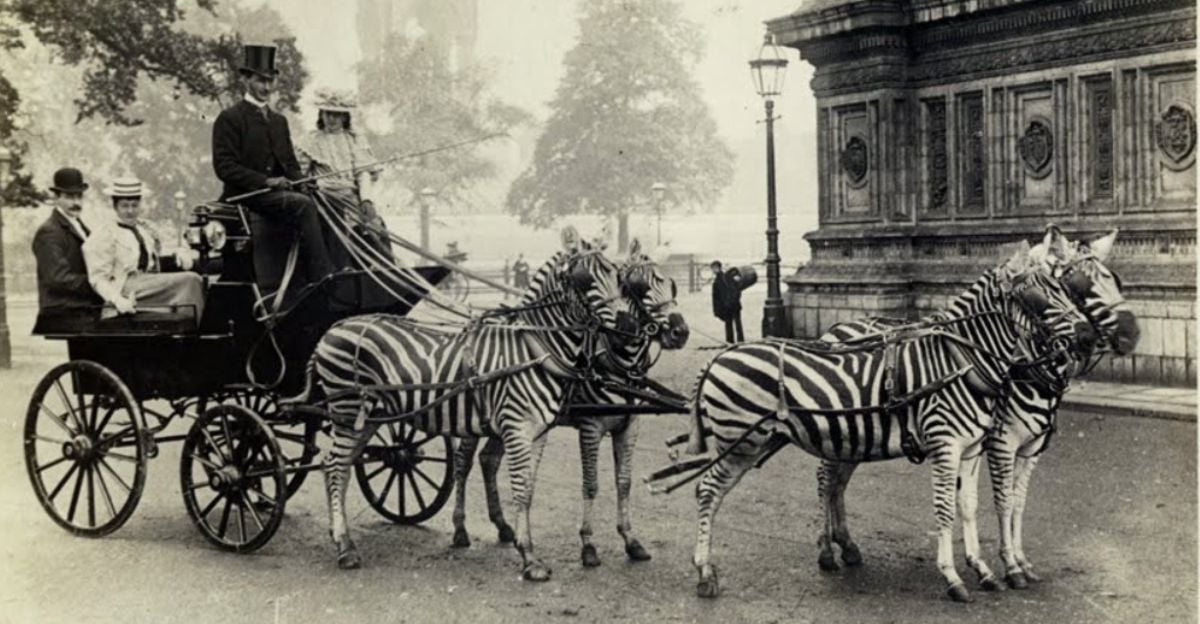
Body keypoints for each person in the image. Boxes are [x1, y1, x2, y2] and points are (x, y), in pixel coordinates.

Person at [211, 44, 335, 307]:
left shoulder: (279, 121)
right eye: (260, 81)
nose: (266, 88)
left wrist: (303, 183)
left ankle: (336, 272)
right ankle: (322, 280)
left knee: (325, 200)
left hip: (277, 196)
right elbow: (225, 167)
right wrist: (267, 181)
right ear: (246, 79)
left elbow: (289, 164)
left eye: (270, 81)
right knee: (301, 206)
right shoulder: (230, 118)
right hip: (246, 197)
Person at [82, 177, 206, 322]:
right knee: (190, 280)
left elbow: (158, 255)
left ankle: (189, 325)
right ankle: (193, 329)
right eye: (124, 206)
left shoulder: (144, 229)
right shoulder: (105, 234)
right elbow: (98, 279)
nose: (130, 211)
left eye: (134, 205)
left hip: (148, 283)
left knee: (197, 278)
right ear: (115, 207)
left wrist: (178, 253)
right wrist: (117, 300)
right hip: (125, 288)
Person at [295, 88, 391, 260]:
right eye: (328, 114)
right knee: (336, 230)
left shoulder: (354, 139)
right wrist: (306, 185)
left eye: (336, 115)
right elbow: (301, 173)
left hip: (351, 196)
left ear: (344, 117)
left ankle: (384, 269)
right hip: (324, 197)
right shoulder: (311, 140)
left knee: (376, 227)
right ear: (321, 115)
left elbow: (363, 173)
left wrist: (366, 200)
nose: (331, 119)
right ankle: (341, 269)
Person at [31, 167, 104, 329]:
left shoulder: (78, 225)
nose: (76, 203)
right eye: (70, 197)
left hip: (83, 308)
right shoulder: (49, 232)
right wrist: (101, 284)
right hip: (65, 310)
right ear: (56, 197)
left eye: (79, 196)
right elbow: (58, 278)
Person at [710, 260, 744, 343]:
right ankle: (740, 340)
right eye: (713, 269)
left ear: (718, 268)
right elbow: (736, 289)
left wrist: (728, 302)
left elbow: (717, 296)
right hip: (732, 304)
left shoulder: (722, 279)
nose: (713, 270)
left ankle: (731, 341)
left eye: (714, 268)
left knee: (730, 324)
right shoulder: (726, 277)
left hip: (729, 305)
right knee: (736, 323)